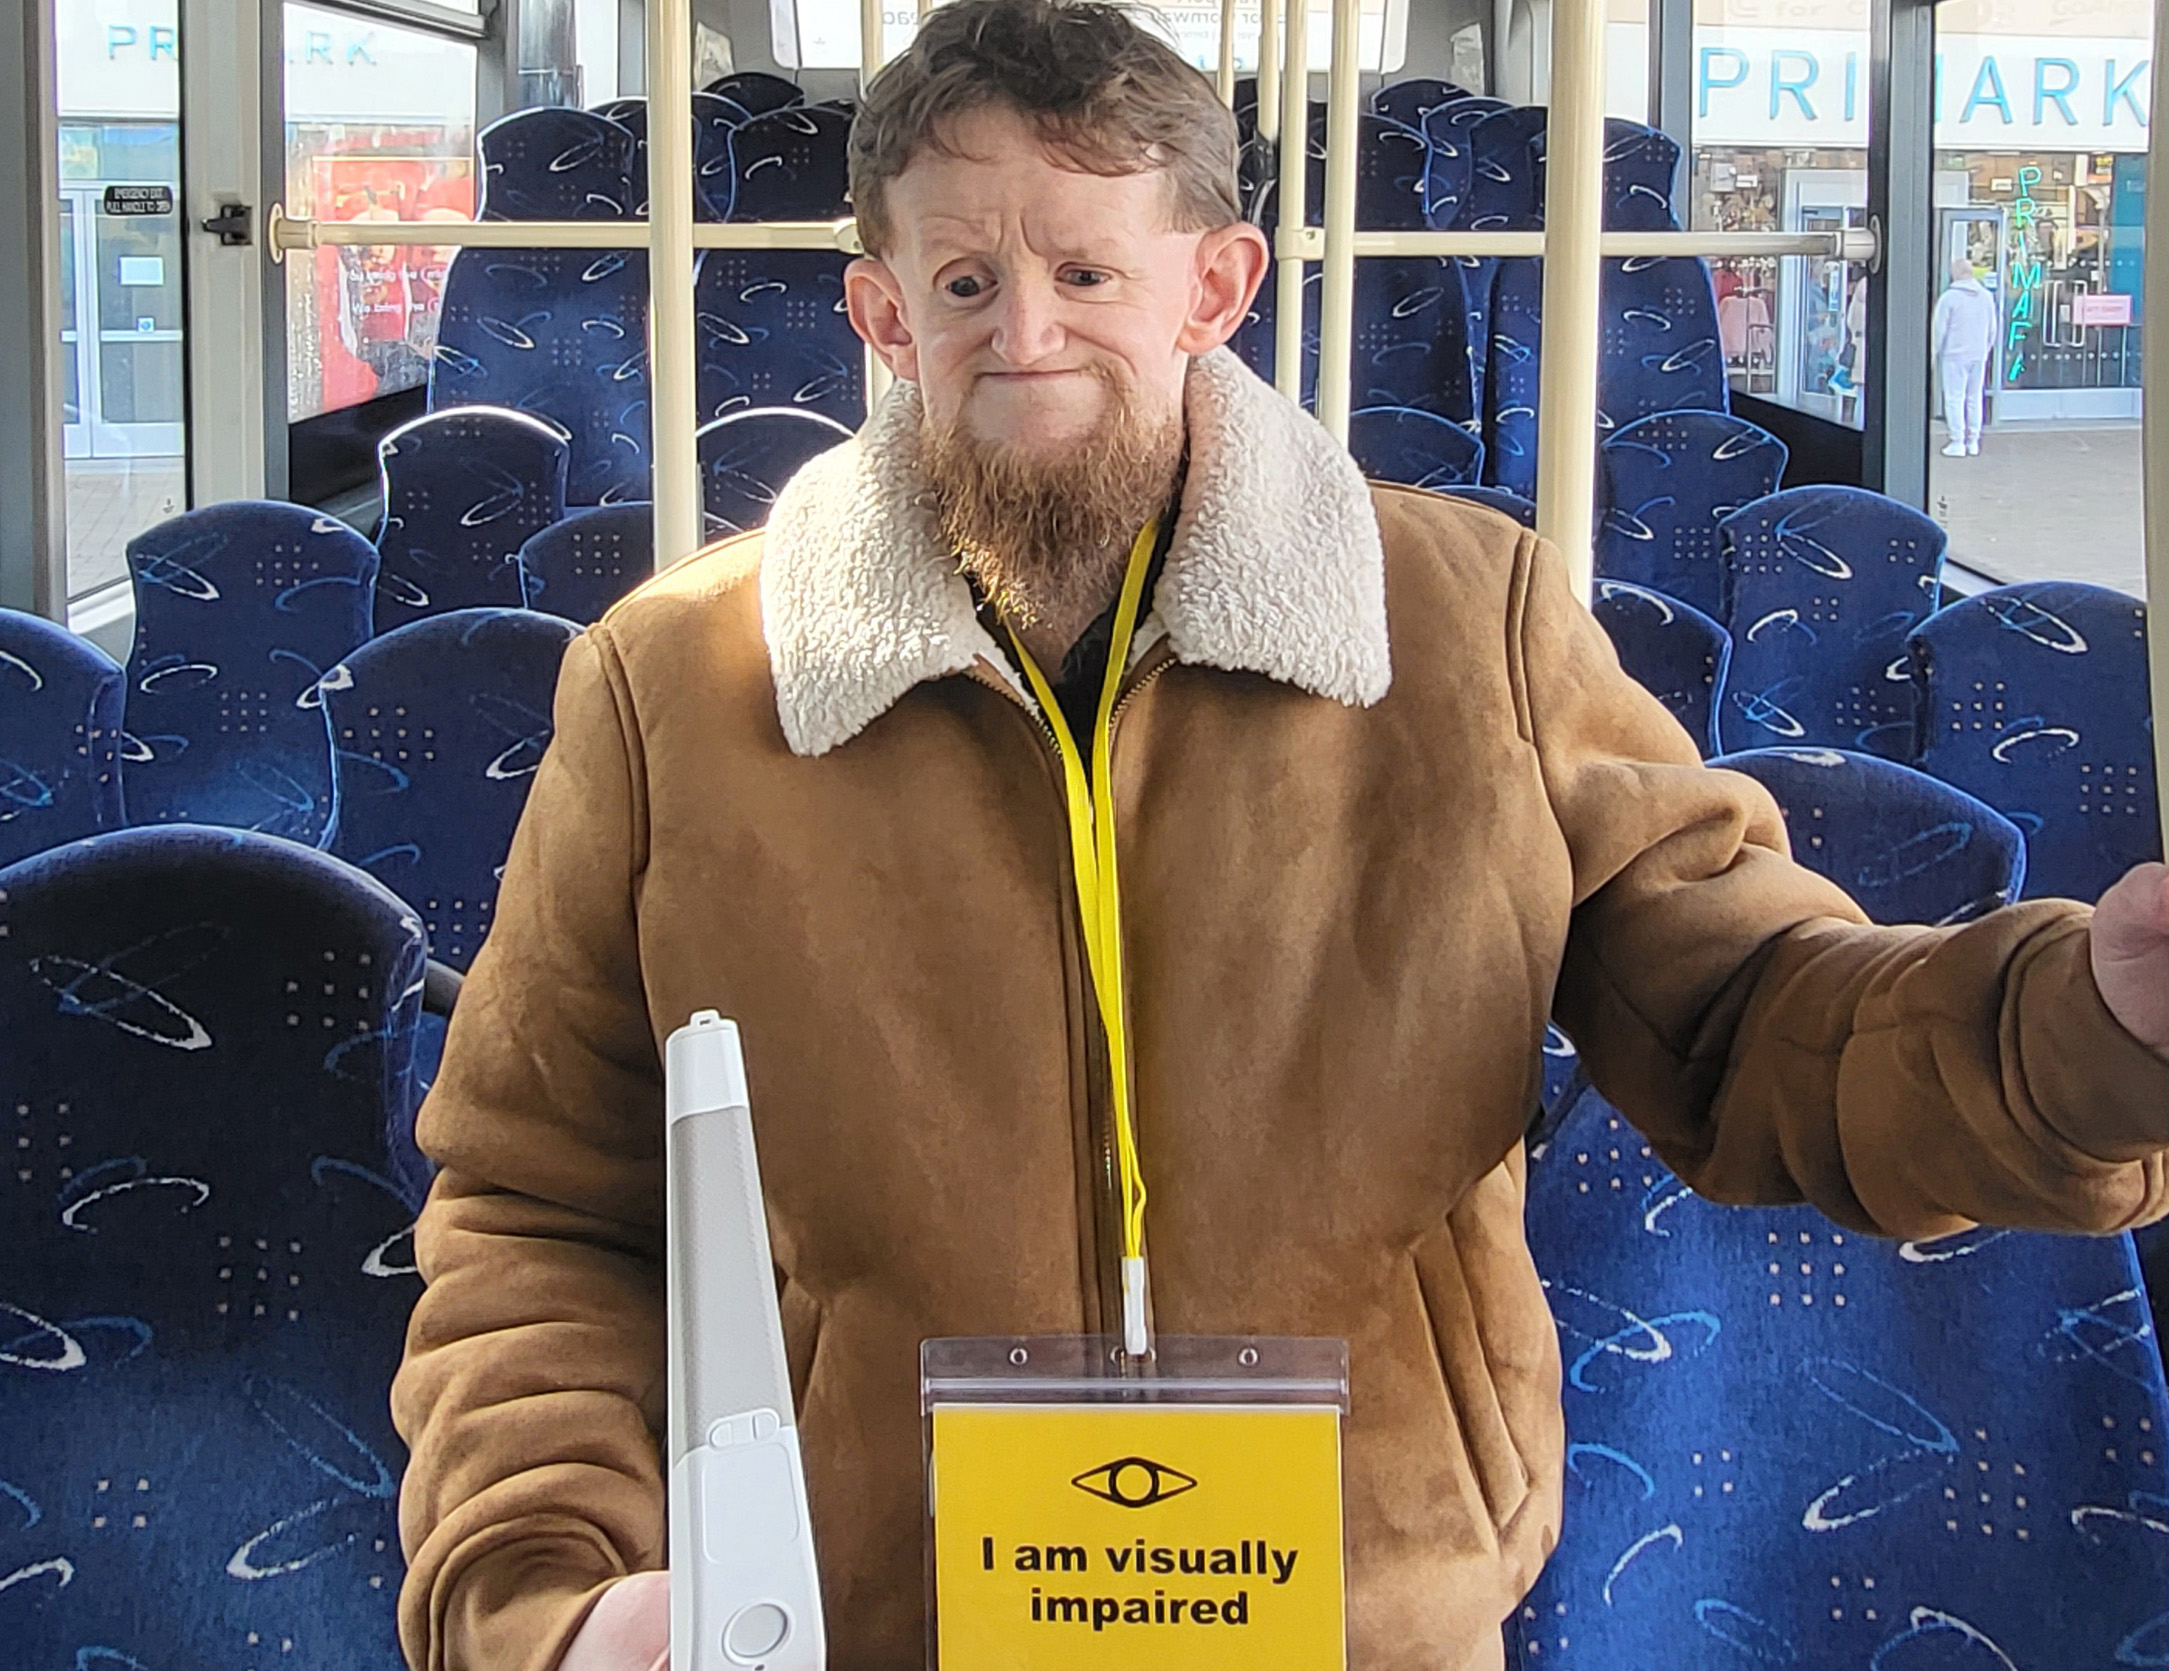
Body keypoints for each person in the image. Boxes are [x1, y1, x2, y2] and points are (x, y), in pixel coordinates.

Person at [389, 6, 2169, 1669]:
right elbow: (538, 1206)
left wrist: (2076, 1029)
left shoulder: (1462, 633)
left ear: (1211, 288)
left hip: (1358, 1613)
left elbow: (1753, 1019)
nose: (1024, 335)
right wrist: (550, 1593)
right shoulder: (679, 692)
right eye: (962, 279)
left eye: (1087, 270)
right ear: (878, 317)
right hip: (885, 1623)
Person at [1933, 252, 1999, 457]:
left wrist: (1933, 354)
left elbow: (1938, 331)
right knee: (1974, 397)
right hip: (1978, 354)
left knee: (1954, 398)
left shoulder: (1949, 298)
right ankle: (1974, 440)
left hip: (1954, 354)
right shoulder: (1986, 297)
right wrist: (1985, 349)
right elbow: (1993, 330)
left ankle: (1957, 440)